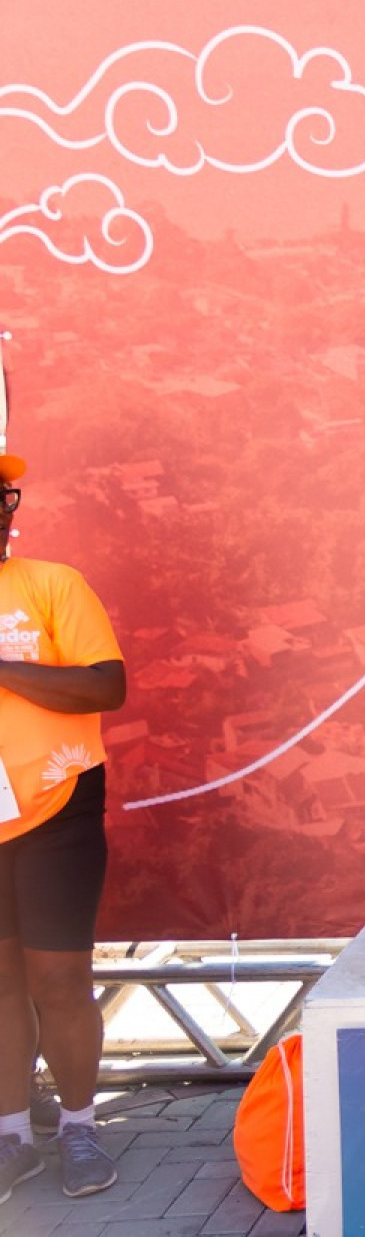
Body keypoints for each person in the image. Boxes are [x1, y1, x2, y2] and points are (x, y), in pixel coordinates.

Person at [0, 451, 125, 1200]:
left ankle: (79, 1125)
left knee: (59, 976)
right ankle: (13, 1134)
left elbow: (105, 683)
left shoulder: (51, 583)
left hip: (56, 805)